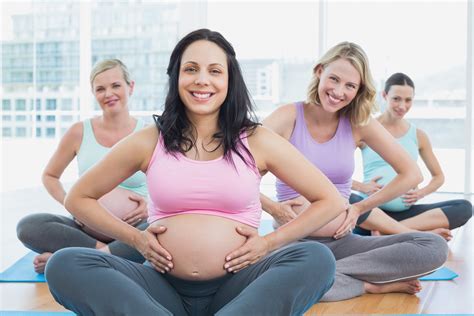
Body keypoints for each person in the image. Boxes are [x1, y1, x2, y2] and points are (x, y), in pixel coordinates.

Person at [45, 29, 346, 315]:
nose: (202, 80)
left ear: (230, 80)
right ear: (176, 77)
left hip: (239, 287)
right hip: (159, 288)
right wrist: (135, 239)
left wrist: (269, 243)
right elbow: (78, 198)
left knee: (316, 259)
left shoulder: (257, 139)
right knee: (65, 263)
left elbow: (329, 200)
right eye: (191, 69)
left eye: (215, 71)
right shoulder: (151, 139)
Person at [261, 42, 448, 301]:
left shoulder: (358, 123)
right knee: (274, 279)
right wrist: (273, 208)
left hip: (344, 242)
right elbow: (237, 173)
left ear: (359, 90)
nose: (338, 91)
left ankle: (323, 277)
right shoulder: (287, 117)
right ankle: (369, 285)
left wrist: (360, 208)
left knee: (433, 246)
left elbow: (412, 174)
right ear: (319, 72)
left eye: (350, 86)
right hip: (295, 243)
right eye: (334, 79)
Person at [16, 59, 149, 273]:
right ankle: (106, 255)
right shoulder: (79, 132)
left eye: (116, 85)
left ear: (130, 87)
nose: (109, 94)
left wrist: (150, 205)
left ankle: (81, 258)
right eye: (100, 89)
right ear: (93, 93)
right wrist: (71, 204)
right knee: (28, 226)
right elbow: (50, 176)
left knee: (166, 228)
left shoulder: (148, 133)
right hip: (87, 230)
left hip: (134, 229)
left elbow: (171, 183)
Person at [351, 72, 472, 236]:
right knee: (347, 201)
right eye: (396, 99)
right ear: (384, 95)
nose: (402, 106)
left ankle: (389, 232)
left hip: (404, 214)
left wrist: (421, 193)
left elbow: (438, 176)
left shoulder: (418, 136)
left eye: (408, 100)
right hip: (370, 211)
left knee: (463, 208)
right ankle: (405, 232)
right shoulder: (366, 128)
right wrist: (361, 186)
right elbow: (333, 169)